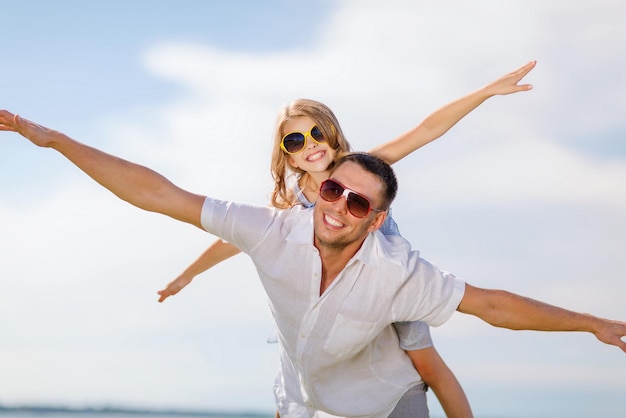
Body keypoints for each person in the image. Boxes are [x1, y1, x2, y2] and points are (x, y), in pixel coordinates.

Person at [1, 112, 625, 418]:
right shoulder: (274, 226)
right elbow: (161, 194)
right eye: (332, 192)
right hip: (307, 396)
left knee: (425, 363)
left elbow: (491, 305)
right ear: (311, 184)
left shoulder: (399, 268)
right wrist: (55, 141)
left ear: (375, 217)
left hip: (385, 402)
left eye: (357, 201)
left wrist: (591, 323)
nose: (339, 207)